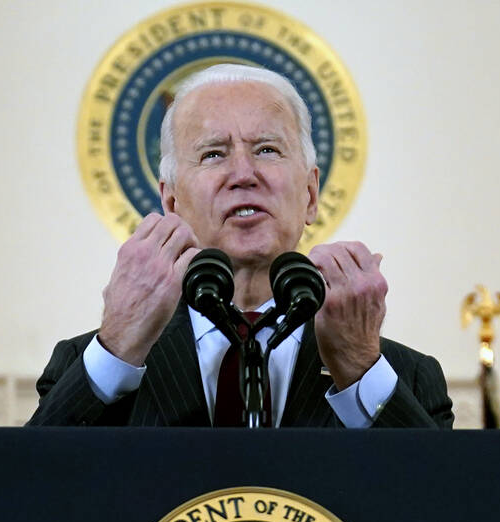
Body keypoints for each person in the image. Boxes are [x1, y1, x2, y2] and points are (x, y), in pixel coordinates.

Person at [29, 64, 452, 429]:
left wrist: (360, 368)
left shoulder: (408, 378)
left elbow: (446, 512)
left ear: (310, 193)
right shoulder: (89, 363)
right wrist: (118, 343)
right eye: (213, 154)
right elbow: (23, 491)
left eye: (267, 150)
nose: (243, 174)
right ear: (171, 201)